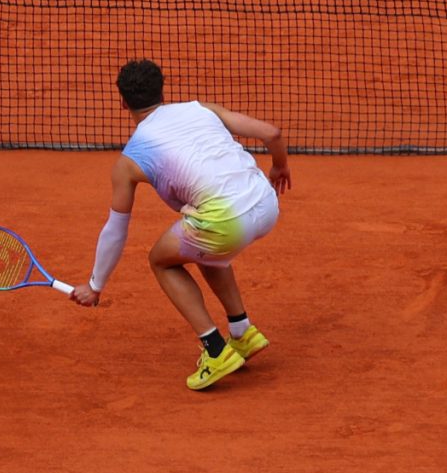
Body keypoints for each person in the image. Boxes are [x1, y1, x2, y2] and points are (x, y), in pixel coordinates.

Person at [78, 59, 292, 391]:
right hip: (266, 203)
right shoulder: (200, 109)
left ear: (123, 102)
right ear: (162, 90)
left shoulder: (129, 162)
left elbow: (116, 229)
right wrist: (278, 166)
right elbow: (272, 133)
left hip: (225, 221)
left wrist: (95, 285)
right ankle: (242, 332)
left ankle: (216, 350)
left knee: (161, 260)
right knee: (200, 244)